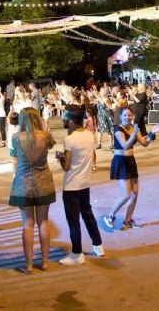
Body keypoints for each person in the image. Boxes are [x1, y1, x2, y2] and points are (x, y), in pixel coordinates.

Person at [8, 107, 56, 274]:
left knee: (27, 224)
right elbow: (51, 144)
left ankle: (28, 264)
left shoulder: (16, 138)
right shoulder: (46, 136)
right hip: (44, 182)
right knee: (43, 221)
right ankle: (45, 262)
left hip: (24, 183)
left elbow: (14, 159)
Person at [56, 105, 104, 265]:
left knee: (73, 220)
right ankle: (98, 246)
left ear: (70, 120)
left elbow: (66, 166)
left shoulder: (69, 139)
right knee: (88, 215)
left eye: (64, 117)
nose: (62, 120)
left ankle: (77, 254)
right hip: (85, 182)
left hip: (71, 185)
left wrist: (60, 158)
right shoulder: (90, 135)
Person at [103, 107, 159, 230]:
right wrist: (134, 134)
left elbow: (144, 143)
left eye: (129, 115)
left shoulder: (133, 128)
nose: (127, 117)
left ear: (132, 116)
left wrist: (150, 136)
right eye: (125, 115)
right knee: (126, 195)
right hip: (120, 162)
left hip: (131, 162)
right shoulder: (118, 129)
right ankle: (109, 216)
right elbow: (125, 145)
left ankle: (128, 220)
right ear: (121, 116)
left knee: (134, 194)